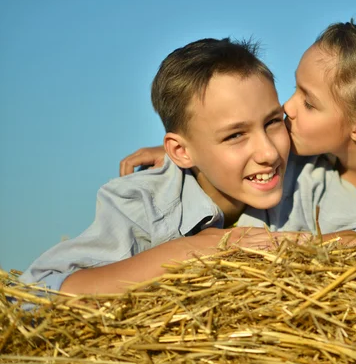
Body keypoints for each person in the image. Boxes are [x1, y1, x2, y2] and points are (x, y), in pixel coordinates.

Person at [120, 21, 356, 236]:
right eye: (295, 88)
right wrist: (186, 157)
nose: (287, 107)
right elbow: (230, 138)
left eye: (309, 101)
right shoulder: (297, 157)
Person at [19, 37, 298, 295]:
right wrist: (196, 247)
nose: (268, 152)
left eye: (273, 121)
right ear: (180, 151)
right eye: (235, 135)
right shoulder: (144, 204)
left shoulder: (305, 172)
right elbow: (33, 293)